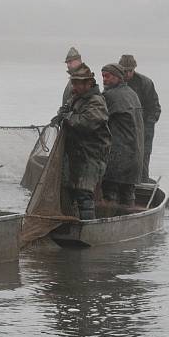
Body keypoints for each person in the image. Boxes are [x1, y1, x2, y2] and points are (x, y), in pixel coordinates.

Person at [52, 64, 110, 220]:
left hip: (92, 156)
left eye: (78, 83)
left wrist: (68, 117)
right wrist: (61, 113)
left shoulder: (96, 101)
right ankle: (71, 224)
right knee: (70, 192)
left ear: (88, 84)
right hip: (75, 155)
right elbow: (65, 110)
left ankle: (88, 230)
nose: (75, 86)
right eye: (74, 82)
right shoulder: (76, 98)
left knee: (84, 193)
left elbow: (87, 123)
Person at [101, 63, 145, 206]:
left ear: (118, 77)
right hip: (136, 156)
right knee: (128, 193)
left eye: (107, 76)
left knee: (110, 193)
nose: (104, 80)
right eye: (103, 76)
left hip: (117, 158)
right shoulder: (133, 94)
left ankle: (109, 220)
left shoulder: (109, 95)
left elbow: (96, 120)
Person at [119, 54, 161, 182]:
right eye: (124, 71)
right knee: (122, 156)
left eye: (129, 71)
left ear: (134, 69)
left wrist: (147, 125)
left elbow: (154, 108)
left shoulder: (145, 83)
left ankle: (142, 181)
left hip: (144, 125)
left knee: (143, 155)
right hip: (123, 126)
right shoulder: (115, 82)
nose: (127, 74)